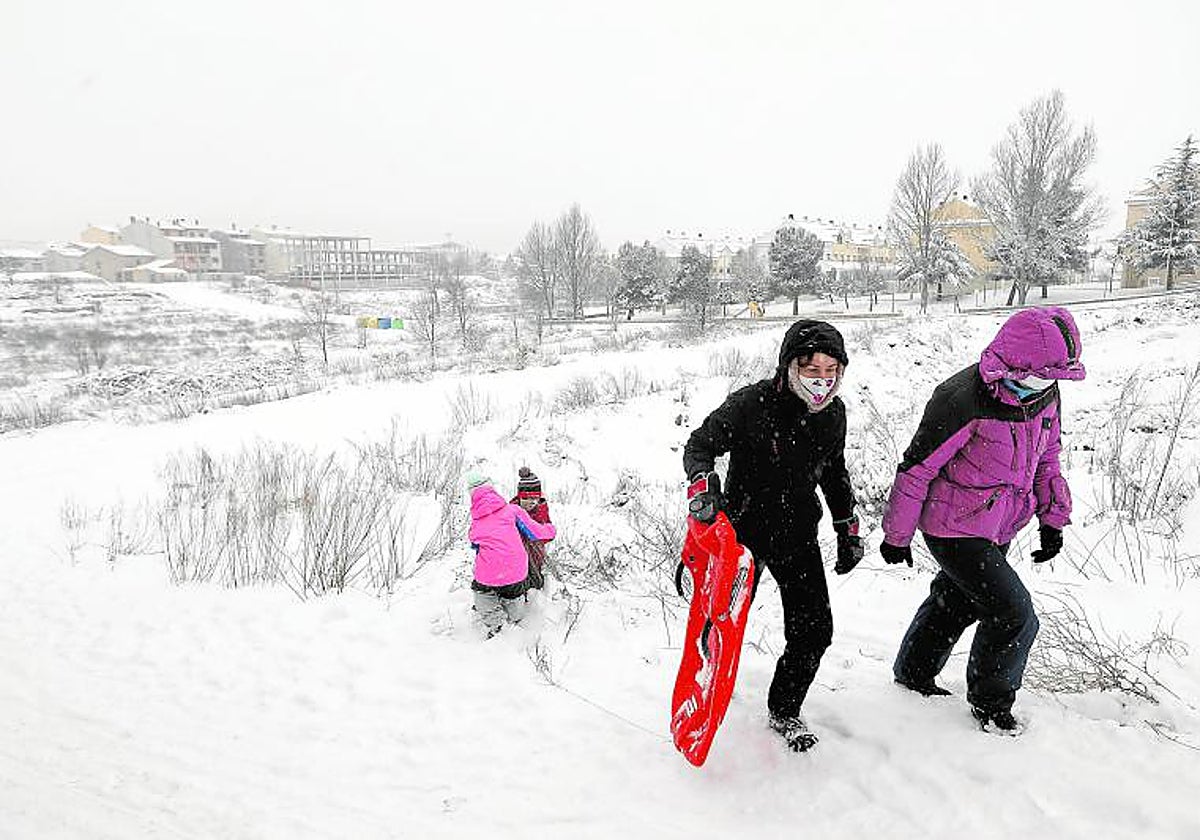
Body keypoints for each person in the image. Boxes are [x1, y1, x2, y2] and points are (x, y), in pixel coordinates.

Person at [880, 306, 1085, 733]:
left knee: (956, 600)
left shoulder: (1045, 392)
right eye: (1038, 376)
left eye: (1053, 378)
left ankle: (913, 674)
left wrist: (1052, 519)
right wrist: (897, 536)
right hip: (952, 526)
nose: (1045, 385)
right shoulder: (962, 398)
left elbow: (1047, 458)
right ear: (1015, 364)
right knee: (1014, 613)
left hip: (1000, 523)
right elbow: (917, 468)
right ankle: (991, 705)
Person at [683, 319, 863, 752]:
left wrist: (845, 527)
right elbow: (699, 445)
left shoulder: (834, 414)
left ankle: (784, 709)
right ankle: (700, 690)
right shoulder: (751, 404)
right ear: (788, 368)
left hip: (797, 535)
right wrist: (705, 486)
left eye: (830, 372)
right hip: (740, 540)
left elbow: (834, 472)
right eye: (810, 370)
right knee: (716, 628)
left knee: (814, 631)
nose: (821, 382)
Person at [467, 472, 557, 638]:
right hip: (516, 572)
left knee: (482, 594)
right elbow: (536, 533)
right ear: (494, 492)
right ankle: (515, 614)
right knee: (514, 597)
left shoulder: (475, 523)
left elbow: (474, 544)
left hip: (488, 575)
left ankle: (496, 622)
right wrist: (551, 530)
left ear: (472, 497)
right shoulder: (513, 510)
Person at [509, 466, 552, 590]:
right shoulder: (512, 510)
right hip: (517, 555)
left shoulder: (541, 509)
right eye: (526, 498)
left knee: (536, 582)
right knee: (518, 583)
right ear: (519, 497)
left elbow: (546, 531)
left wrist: (540, 536)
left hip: (535, 553)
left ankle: (536, 601)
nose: (531, 502)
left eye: (534, 498)